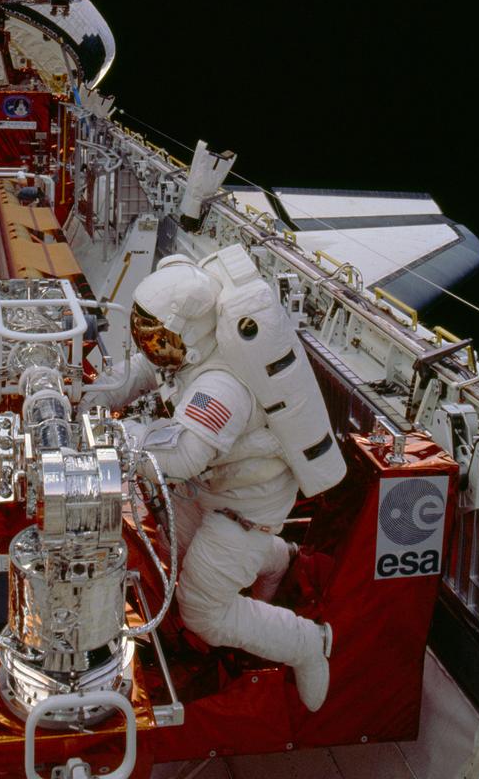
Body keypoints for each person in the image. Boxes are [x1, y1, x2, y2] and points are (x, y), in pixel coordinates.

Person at [108, 255, 335, 713]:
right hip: (215, 488)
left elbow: (185, 457)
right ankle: (276, 560)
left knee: (202, 610)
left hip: (246, 504)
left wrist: (121, 438)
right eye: (145, 333)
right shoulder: (190, 353)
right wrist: (85, 396)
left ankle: (308, 643)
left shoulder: (221, 387)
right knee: (174, 548)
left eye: (159, 338)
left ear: (189, 335)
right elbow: (141, 371)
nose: (151, 346)